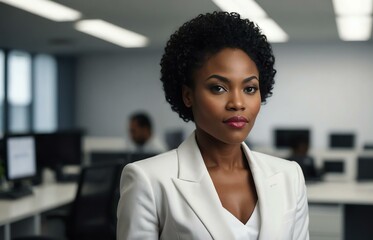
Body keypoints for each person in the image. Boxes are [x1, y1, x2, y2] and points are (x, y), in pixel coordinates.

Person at [117, 12, 309, 240]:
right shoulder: (148, 180)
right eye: (218, 88)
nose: (237, 103)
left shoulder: (289, 176)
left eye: (249, 89)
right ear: (188, 95)